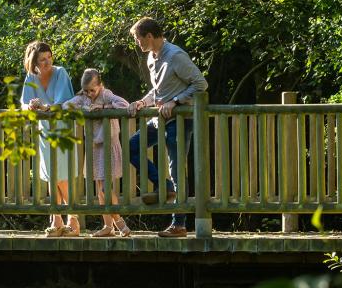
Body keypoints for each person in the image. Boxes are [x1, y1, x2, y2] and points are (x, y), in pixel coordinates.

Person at [128, 17, 208, 238]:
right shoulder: (152, 58)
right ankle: (164, 185)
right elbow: (158, 91)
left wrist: (176, 101)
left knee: (176, 170)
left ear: (150, 36)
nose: (137, 43)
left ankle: (179, 224)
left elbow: (201, 83)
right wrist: (143, 102)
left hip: (180, 120)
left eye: (138, 38)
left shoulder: (176, 56)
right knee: (131, 147)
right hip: (159, 119)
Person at [21, 40, 80, 237]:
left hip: (62, 129)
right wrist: (30, 106)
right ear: (33, 62)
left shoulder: (60, 72)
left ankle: (73, 220)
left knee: (63, 175)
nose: (47, 63)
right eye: (42, 60)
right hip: (44, 130)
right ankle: (56, 220)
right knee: (50, 175)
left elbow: (63, 103)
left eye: (49, 58)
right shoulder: (31, 76)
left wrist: (45, 107)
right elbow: (23, 104)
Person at [63, 69, 131, 238]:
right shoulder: (84, 98)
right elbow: (66, 106)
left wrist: (103, 107)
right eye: (86, 91)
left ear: (100, 86)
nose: (90, 94)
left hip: (108, 145)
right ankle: (108, 225)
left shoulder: (106, 95)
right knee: (100, 189)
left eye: (92, 90)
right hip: (94, 148)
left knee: (105, 188)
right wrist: (84, 108)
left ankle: (120, 223)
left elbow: (125, 105)